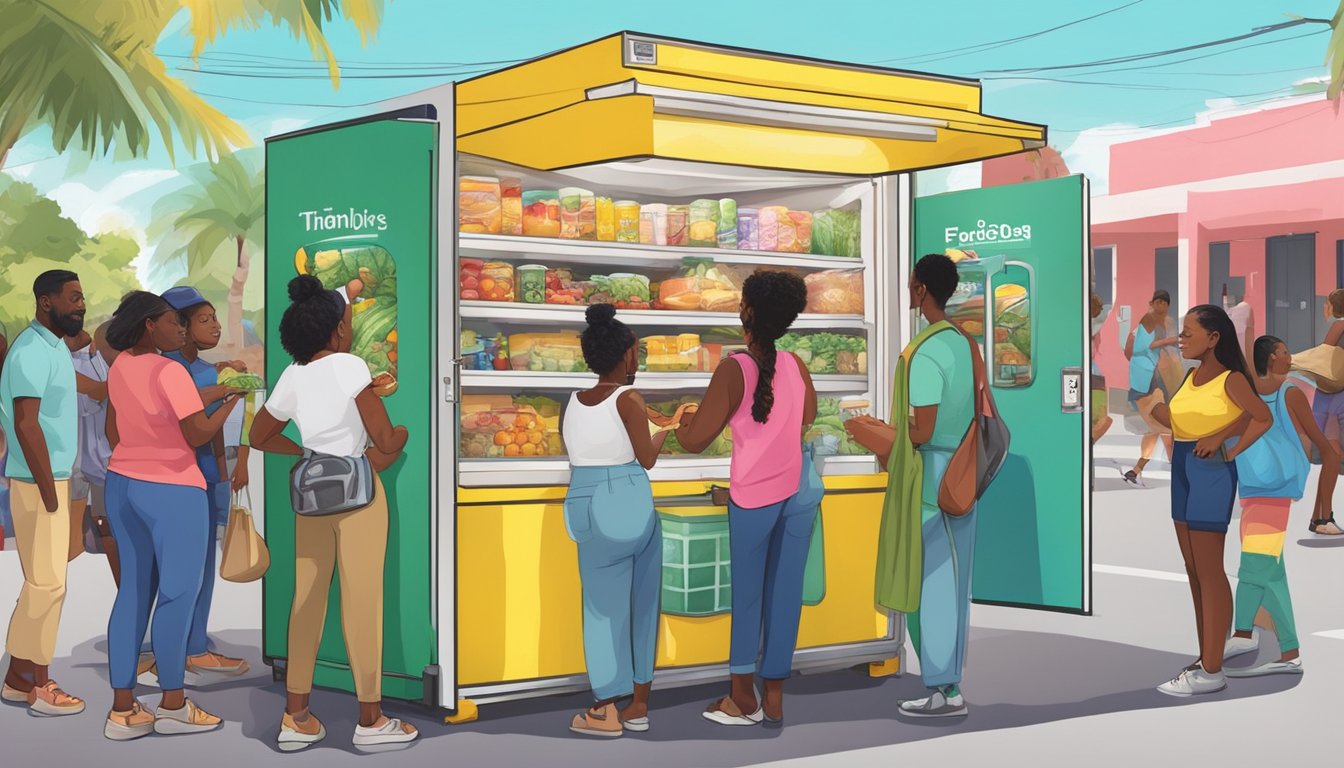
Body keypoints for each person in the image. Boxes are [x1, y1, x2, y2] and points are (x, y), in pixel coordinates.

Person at [249, 275, 417, 751]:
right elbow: (384, 439)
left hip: (312, 497)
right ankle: (371, 720)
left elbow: (260, 436)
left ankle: (296, 716)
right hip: (359, 494)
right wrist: (401, 434)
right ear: (335, 332)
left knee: (307, 601)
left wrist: (305, 453)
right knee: (362, 601)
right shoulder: (350, 366)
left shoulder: (292, 375)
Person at [674, 271, 820, 728]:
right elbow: (807, 416)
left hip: (754, 497)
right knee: (784, 595)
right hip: (798, 494)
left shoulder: (734, 368)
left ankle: (741, 698)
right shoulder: (795, 364)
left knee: (748, 598)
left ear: (748, 313)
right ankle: (773, 698)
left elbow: (696, 440)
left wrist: (681, 421)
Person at [101, 291, 242, 740]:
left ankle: (123, 709)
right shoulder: (169, 369)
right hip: (174, 490)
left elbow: (127, 422)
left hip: (123, 485)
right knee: (179, 595)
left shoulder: (122, 364)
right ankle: (173, 704)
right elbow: (197, 428)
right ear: (149, 324)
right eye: (173, 322)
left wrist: (217, 388)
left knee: (133, 595)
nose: (180, 328)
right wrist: (231, 400)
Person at [848, 253, 979, 718]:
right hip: (961, 471)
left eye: (910, 285)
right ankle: (949, 683)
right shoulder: (963, 341)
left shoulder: (922, 351)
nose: (908, 291)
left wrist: (875, 431)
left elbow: (921, 431)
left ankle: (945, 689)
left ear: (922, 289)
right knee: (953, 582)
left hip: (929, 477)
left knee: (933, 584)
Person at [130, 287, 250, 687]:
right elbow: (195, 418)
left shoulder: (212, 369)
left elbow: (214, 425)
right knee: (170, 571)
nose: (214, 325)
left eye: (215, 317)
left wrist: (224, 465)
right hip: (171, 478)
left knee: (200, 566)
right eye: (204, 319)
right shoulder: (163, 369)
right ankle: (171, 653)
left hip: (205, 474)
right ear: (176, 324)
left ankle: (194, 645)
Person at [1150, 305, 1270, 697]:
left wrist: (1226, 447)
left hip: (1211, 472)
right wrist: (1160, 412)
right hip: (1183, 465)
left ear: (1214, 338)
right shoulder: (1189, 376)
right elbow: (1184, 421)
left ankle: (1212, 670)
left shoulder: (1231, 378)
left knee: (1209, 569)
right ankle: (1206, 656)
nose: (1181, 338)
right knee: (1192, 568)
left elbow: (1260, 416)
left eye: (1188, 333)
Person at [561, 304, 666, 738]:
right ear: (625, 356)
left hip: (586, 500)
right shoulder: (630, 398)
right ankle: (636, 705)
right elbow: (646, 458)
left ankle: (606, 705)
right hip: (629, 497)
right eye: (635, 353)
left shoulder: (573, 401)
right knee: (644, 605)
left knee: (602, 611)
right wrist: (667, 429)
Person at [1222, 336, 1335, 678]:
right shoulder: (1253, 392)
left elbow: (1320, 444)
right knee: (1270, 569)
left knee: (1256, 565)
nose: (1290, 356)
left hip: (1275, 490)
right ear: (1270, 359)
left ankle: (1257, 637)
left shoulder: (1291, 393)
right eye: (1284, 351)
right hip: (1252, 486)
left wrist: (1322, 501)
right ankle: (1274, 646)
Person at [0, 270, 85, 717]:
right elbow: (26, 424)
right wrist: (51, 492)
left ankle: (18, 678)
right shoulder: (31, 350)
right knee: (47, 584)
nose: (81, 305)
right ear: (45, 301)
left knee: (45, 584)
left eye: (82, 297)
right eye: (72, 298)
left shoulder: (53, 347)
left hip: (49, 479)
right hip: (38, 482)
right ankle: (40, 683)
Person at [70, 322, 121, 582]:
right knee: (97, 522)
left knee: (105, 521)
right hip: (80, 458)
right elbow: (93, 397)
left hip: (101, 457)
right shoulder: (68, 363)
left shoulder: (102, 360)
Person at [1122, 290, 1179, 486]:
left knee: (1157, 430)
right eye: (1158, 303)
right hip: (1150, 382)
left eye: (1164, 303)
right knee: (1165, 428)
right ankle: (1179, 473)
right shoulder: (1147, 323)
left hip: (1159, 381)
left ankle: (1136, 471)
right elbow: (1134, 350)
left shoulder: (1164, 323)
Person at [1305, 289, 1344, 535]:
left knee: (1332, 455)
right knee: (1333, 455)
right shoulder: (1339, 326)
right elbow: (1325, 358)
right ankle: (1323, 518)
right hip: (1333, 398)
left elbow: (1324, 356)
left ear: (1331, 306)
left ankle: (1318, 517)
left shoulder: (1338, 325)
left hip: (1330, 398)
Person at [1091, 292, 1114, 443]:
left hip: (1094, 372)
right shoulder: (1095, 325)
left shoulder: (1093, 325)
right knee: (1101, 419)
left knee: (1101, 420)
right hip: (1095, 373)